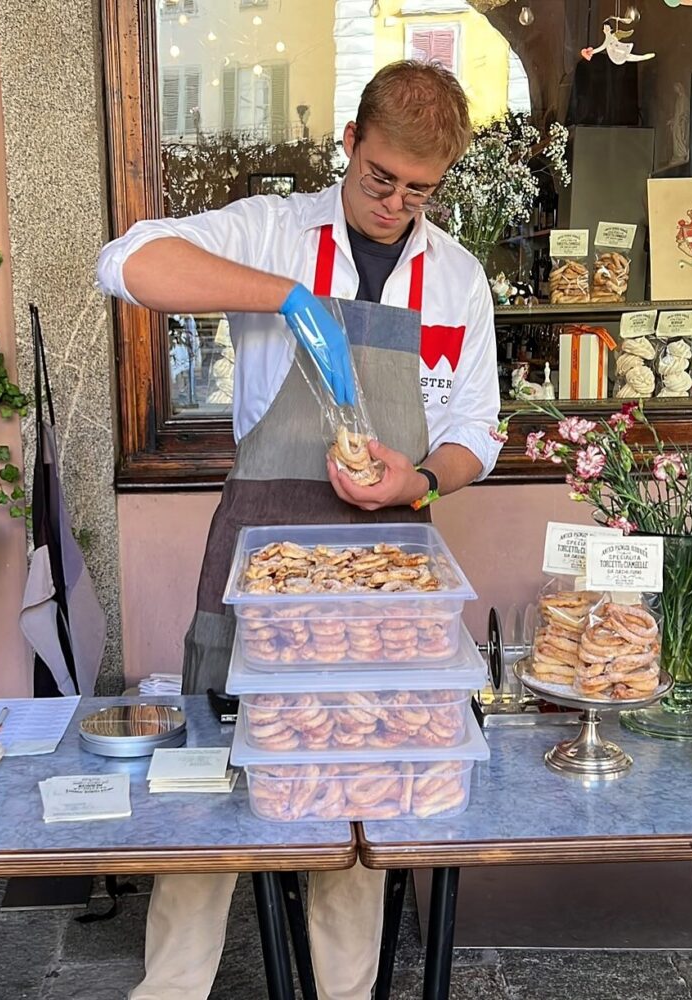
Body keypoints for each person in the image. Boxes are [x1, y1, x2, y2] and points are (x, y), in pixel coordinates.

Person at [97, 60, 501, 1000]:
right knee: (209, 770)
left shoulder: (458, 278)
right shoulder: (273, 227)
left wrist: (422, 477)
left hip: (389, 559)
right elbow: (125, 262)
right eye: (381, 178)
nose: (397, 202)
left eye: (421, 189)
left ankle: (346, 991)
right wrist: (282, 296)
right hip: (261, 554)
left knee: (358, 780)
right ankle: (171, 989)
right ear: (349, 143)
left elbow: (477, 428)